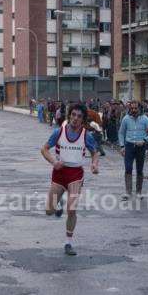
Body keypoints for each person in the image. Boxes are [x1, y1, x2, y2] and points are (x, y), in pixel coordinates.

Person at [41, 103, 99, 257]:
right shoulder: (58, 132)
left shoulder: (87, 135)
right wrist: (54, 162)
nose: (75, 118)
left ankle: (68, 242)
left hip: (75, 174)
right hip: (59, 173)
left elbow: (95, 153)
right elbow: (44, 149)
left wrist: (94, 164)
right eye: (73, 115)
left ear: (83, 119)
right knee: (49, 211)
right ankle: (58, 204)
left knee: (72, 209)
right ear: (69, 116)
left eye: (79, 116)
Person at [118, 101, 148, 200]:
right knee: (128, 168)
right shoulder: (126, 119)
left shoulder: (145, 119)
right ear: (129, 109)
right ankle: (128, 192)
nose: (134, 110)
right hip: (129, 146)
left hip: (140, 147)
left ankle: (139, 192)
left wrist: (144, 140)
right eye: (132, 108)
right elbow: (121, 133)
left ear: (139, 109)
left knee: (139, 169)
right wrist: (122, 146)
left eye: (136, 108)